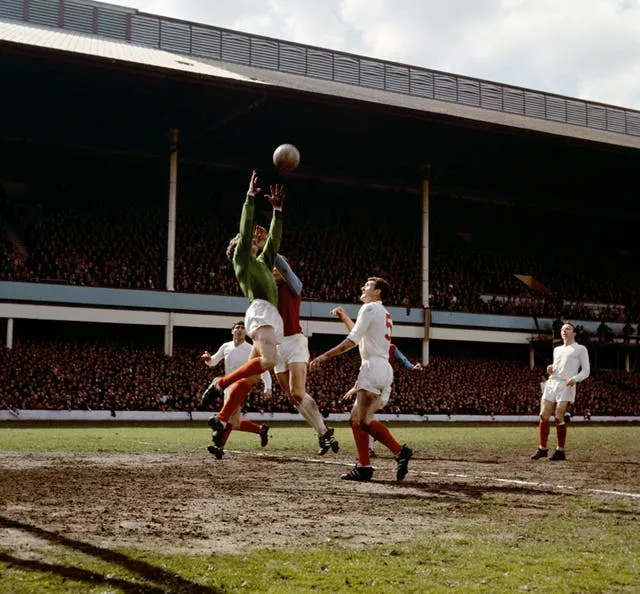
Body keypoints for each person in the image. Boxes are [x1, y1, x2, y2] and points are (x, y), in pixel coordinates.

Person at [201, 170, 285, 454]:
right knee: (270, 360)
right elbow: (246, 227)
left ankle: (221, 420)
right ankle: (219, 383)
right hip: (261, 310)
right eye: (246, 238)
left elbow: (273, 241)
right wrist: (250, 198)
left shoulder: (261, 260)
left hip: (270, 315)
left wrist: (277, 211)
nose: (252, 238)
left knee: (248, 380)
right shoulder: (241, 261)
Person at [310, 277, 413, 482]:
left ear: (378, 293)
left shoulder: (369, 309)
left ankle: (399, 451)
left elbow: (353, 341)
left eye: (368, 285)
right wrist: (343, 316)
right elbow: (359, 333)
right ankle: (364, 466)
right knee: (356, 420)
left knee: (363, 421)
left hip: (372, 367)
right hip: (381, 368)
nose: (363, 287)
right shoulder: (382, 312)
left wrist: (325, 356)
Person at [331, 306, 422, 457]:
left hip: (381, 386)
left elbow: (404, 362)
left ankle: (378, 454)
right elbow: (358, 337)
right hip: (371, 382)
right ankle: (374, 456)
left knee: (362, 419)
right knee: (359, 419)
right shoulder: (374, 346)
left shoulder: (389, 348)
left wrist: (413, 367)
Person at [273, 255, 339, 455]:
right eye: (272, 268)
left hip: (294, 341)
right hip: (276, 346)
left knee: (298, 393)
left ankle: (324, 432)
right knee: (292, 398)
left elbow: (284, 267)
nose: (275, 270)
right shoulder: (268, 291)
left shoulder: (294, 286)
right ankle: (324, 432)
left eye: (277, 268)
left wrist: (269, 250)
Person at [201, 320, 272, 458]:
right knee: (234, 422)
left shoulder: (250, 349)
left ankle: (219, 448)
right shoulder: (226, 346)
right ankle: (261, 430)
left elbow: (262, 368)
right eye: (237, 327)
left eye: (242, 328)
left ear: (246, 332)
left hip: (241, 386)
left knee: (227, 419)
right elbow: (213, 361)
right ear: (232, 331)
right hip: (226, 386)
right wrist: (208, 359)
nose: (239, 330)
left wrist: (267, 386)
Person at [531, 321, 590, 461]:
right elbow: (558, 366)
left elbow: (586, 370)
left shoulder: (580, 349)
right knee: (543, 415)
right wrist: (551, 368)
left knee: (558, 416)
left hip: (566, 384)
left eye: (568, 329)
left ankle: (560, 451)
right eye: (563, 329)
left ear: (574, 333)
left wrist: (575, 379)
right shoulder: (557, 349)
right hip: (552, 382)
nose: (565, 331)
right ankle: (542, 449)